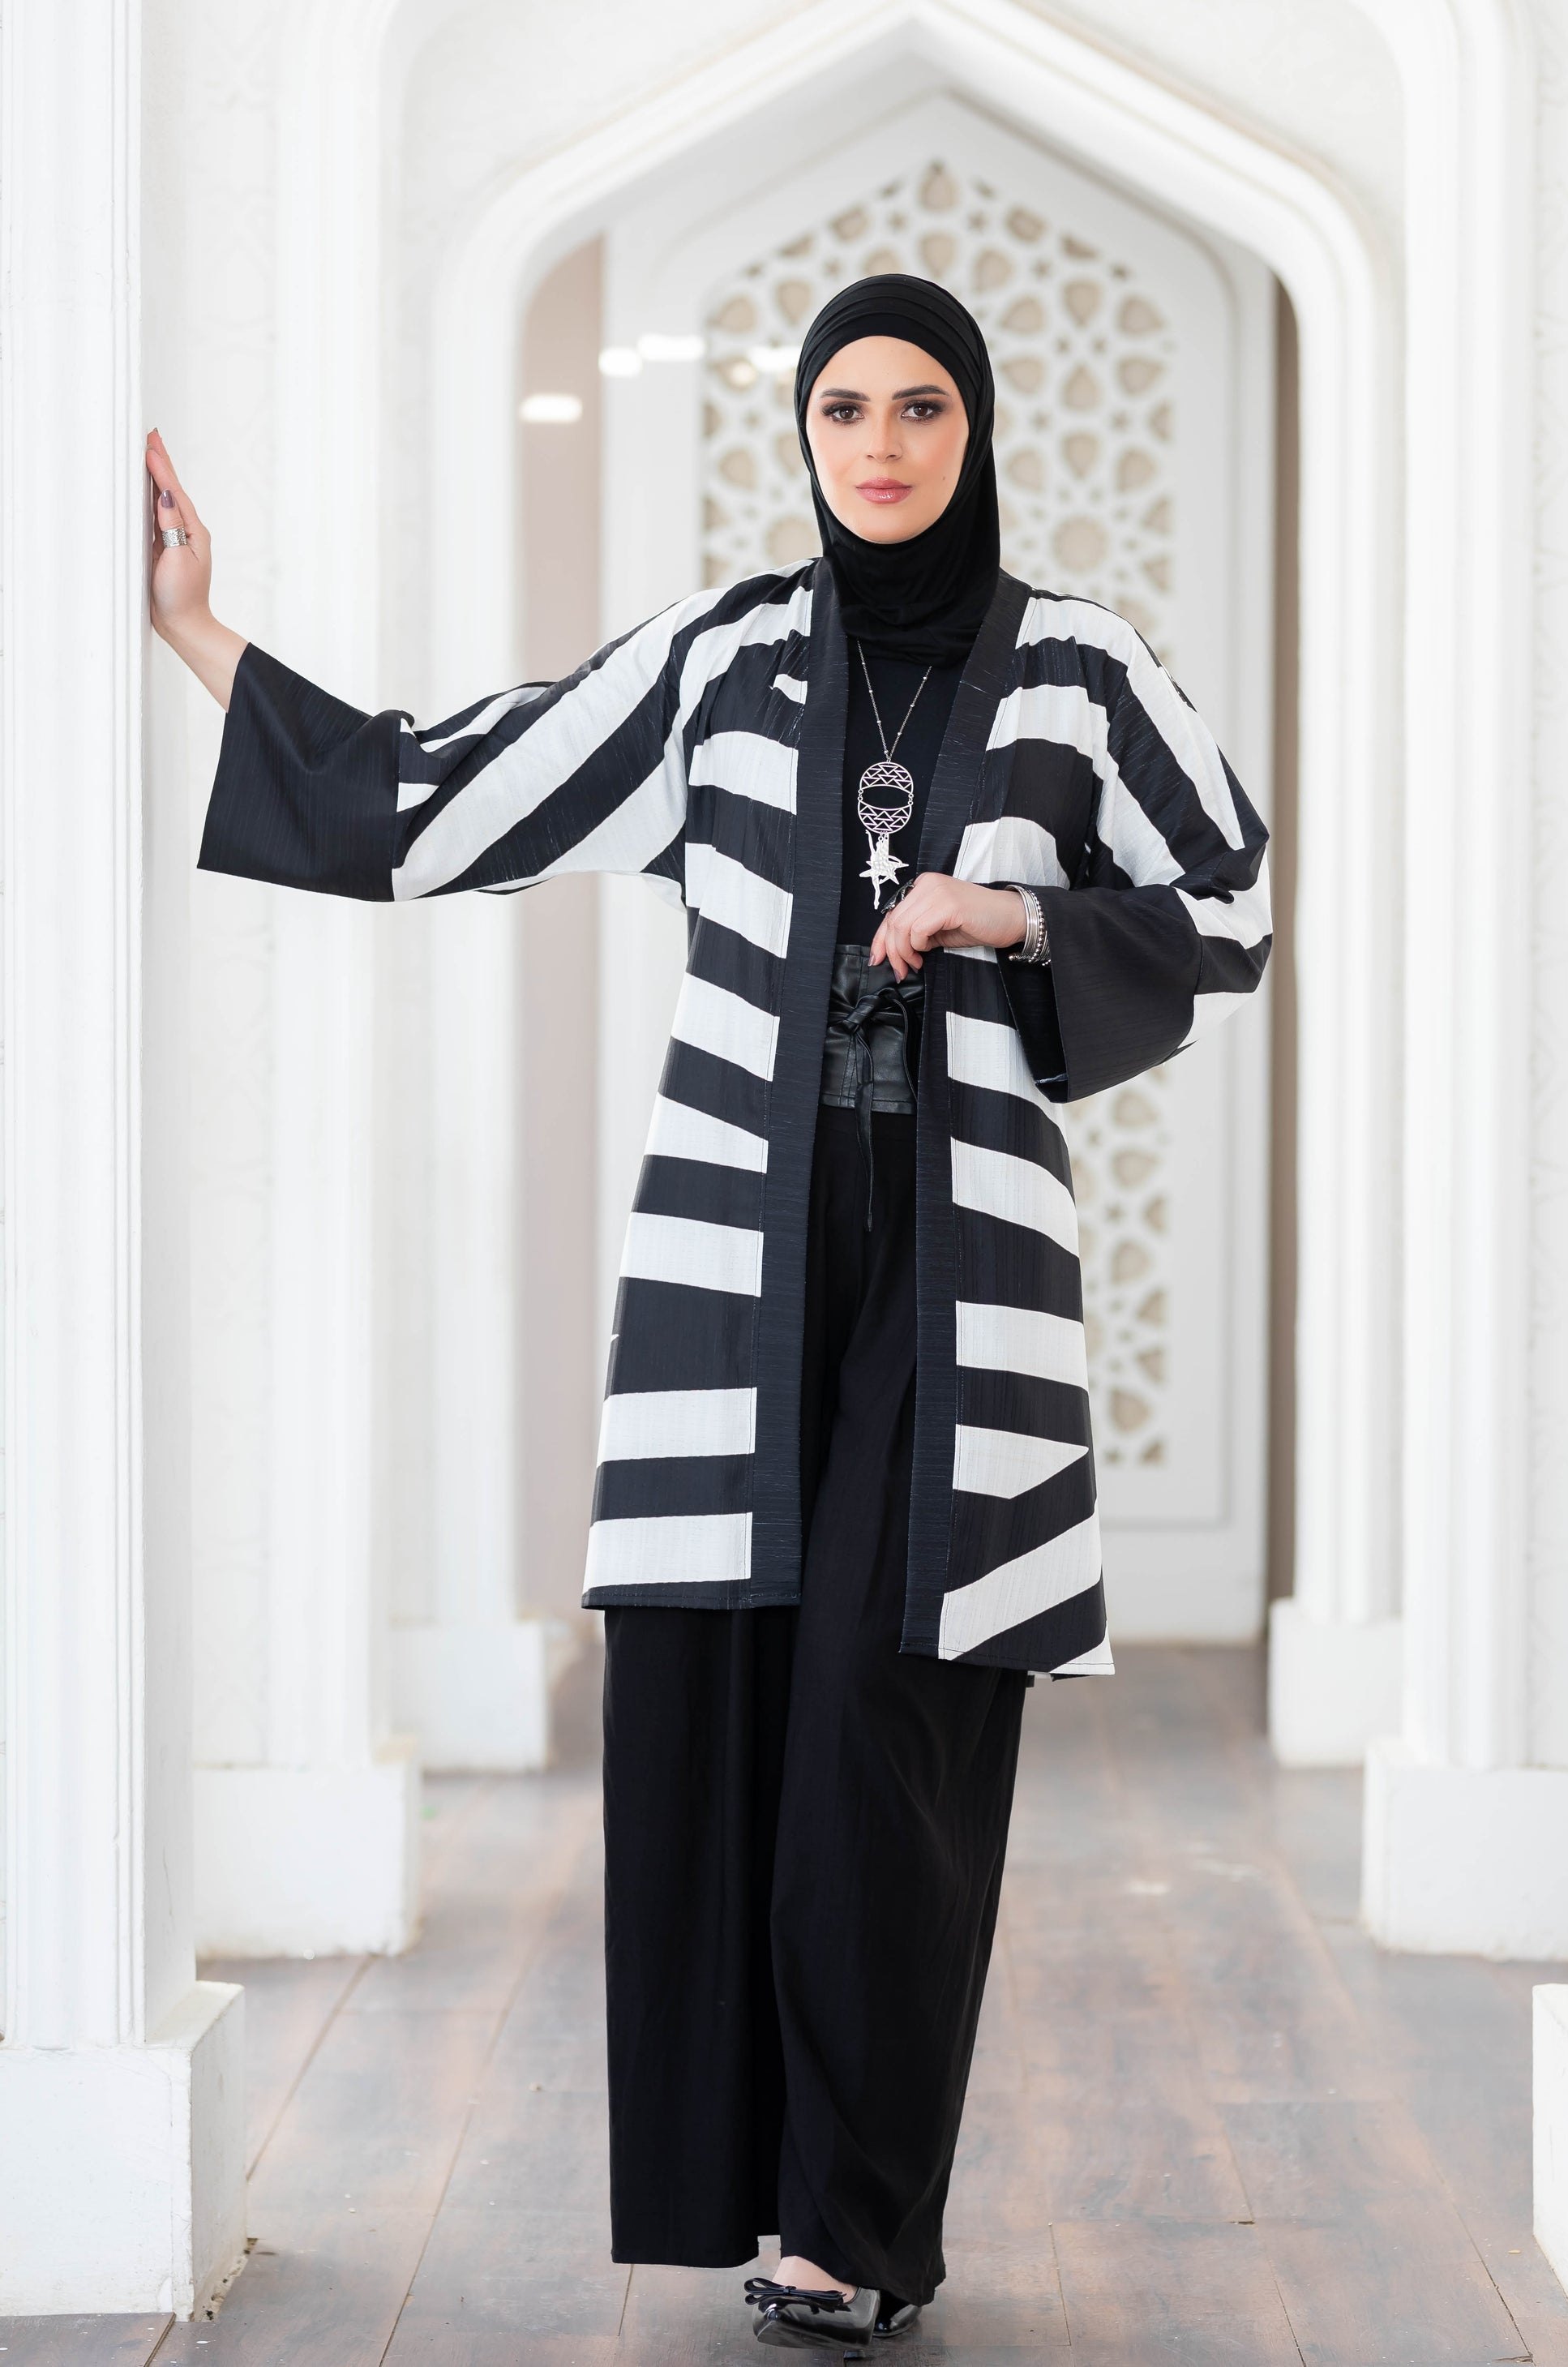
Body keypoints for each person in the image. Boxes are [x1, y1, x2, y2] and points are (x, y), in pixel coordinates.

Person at [148, 273, 1270, 2355]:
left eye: (920, 405)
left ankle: (858, 2227)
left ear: (975, 426)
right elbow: (446, 792)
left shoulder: (1081, 672)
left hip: (957, 1275)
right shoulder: (724, 662)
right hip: (738, 1266)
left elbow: (1231, 901)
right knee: (735, 1727)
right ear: (806, 433)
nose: (880, 443)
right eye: (843, 405)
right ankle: (777, 2199)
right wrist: (201, 632)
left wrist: (1007, 910)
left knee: (889, 1735)